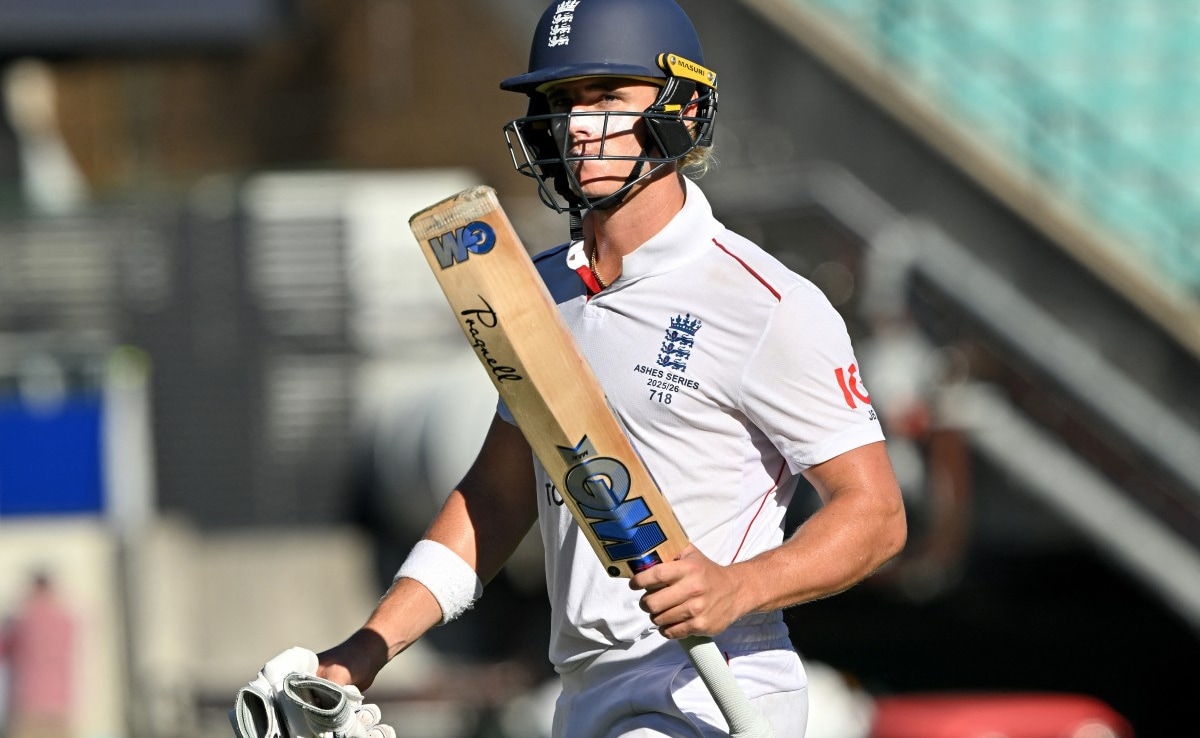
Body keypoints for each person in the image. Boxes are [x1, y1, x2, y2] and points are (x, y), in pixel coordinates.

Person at [313, 1, 906, 735]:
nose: (575, 126)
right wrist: (363, 652)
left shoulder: (767, 302)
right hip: (583, 689)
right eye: (562, 101)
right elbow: (495, 502)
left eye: (605, 98)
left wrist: (736, 587)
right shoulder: (535, 290)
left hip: (716, 685)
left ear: (681, 109)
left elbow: (876, 514)